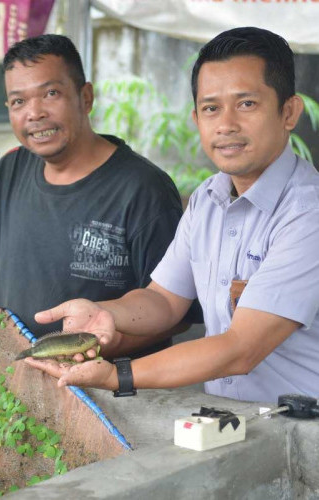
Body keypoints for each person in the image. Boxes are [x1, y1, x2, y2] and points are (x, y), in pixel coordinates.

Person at [25, 27, 318, 404]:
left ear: (289, 112)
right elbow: (164, 300)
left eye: (246, 104)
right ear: (196, 118)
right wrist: (103, 313)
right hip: (233, 421)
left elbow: (241, 348)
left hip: (305, 432)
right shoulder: (207, 199)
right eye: (212, 108)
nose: (226, 124)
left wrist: (119, 375)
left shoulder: (307, 213)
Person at [0, 34, 189, 356]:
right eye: (19, 102)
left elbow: (175, 314)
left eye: (51, 93)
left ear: (85, 97)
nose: (35, 113)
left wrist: (96, 349)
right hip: (10, 376)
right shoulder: (8, 171)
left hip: (104, 387)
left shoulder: (143, 188)